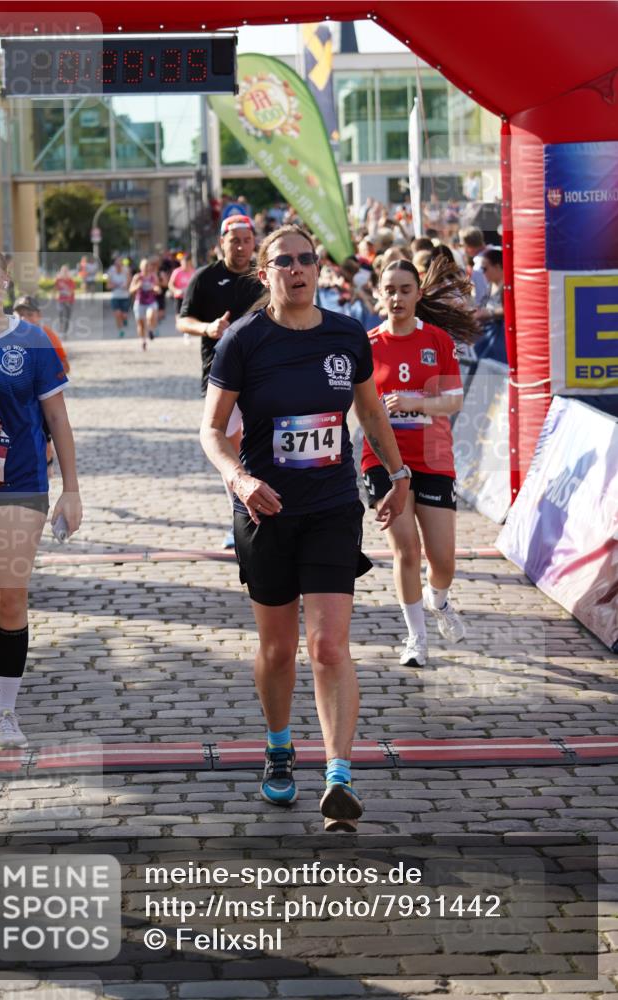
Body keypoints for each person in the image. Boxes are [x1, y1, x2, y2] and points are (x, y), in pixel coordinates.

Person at [200, 225, 410, 831]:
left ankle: (339, 775)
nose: (296, 269)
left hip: (330, 507)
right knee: (277, 648)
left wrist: (397, 474)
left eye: (305, 260)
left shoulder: (347, 335)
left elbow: (369, 409)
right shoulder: (243, 341)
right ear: (263, 273)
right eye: (283, 262)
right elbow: (212, 429)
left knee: (327, 645)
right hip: (265, 510)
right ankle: (278, 744)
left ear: (318, 269)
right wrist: (240, 481)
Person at [0, 245, 82, 748]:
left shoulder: (33, 340)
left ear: (4, 279)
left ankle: (4, 710)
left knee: (8, 596)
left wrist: (70, 490)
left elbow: (58, 420)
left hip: (20, 480)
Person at [361, 259, 477, 667]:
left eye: (405, 289)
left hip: (432, 455)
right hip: (382, 458)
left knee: (443, 560)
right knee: (406, 550)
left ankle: (438, 600)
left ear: (418, 294)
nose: (397, 298)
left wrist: (416, 403)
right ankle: (416, 638)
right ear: (379, 294)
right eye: (389, 290)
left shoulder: (438, 341)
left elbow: (454, 400)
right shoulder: (368, 344)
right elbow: (352, 404)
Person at [178, 215, 263, 548]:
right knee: (230, 451)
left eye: (246, 240)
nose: (241, 246)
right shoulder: (205, 278)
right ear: (222, 243)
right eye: (234, 240)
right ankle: (240, 517)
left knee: (260, 448)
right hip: (221, 377)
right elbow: (182, 320)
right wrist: (208, 328)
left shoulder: (263, 276)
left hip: (262, 375)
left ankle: (261, 511)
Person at [13, 295, 71, 475]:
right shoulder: (6, 336)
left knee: (44, 441)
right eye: (19, 314)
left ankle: (47, 467)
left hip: (42, 400)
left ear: (38, 315)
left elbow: (65, 366)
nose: (24, 319)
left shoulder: (47, 336)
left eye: (29, 314)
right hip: (17, 401)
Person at [474, 249, 506, 363]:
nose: (483, 272)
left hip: (500, 340)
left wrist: (490, 313)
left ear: (497, 267)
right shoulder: (491, 285)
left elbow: (515, 310)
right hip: (488, 337)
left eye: (485, 269)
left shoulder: (509, 286)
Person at [129, 258, 160, 350]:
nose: (146, 268)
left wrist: (155, 289)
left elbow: (158, 289)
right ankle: (143, 340)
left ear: (150, 267)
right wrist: (137, 286)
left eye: (147, 266)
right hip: (139, 302)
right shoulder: (137, 277)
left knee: (150, 316)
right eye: (144, 266)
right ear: (140, 267)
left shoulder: (153, 276)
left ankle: (150, 330)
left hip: (151, 302)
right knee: (140, 324)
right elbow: (130, 290)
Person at [54, 265, 75, 336]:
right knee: (61, 313)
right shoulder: (58, 280)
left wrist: (66, 294)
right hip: (61, 300)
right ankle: (61, 327)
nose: (64, 272)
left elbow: (71, 292)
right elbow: (55, 289)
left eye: (66, 271)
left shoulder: (71, 281)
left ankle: (65, 330)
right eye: (63, 271)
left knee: (67, 316)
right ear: (61, 272)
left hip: (69, 301)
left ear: (68, 272)